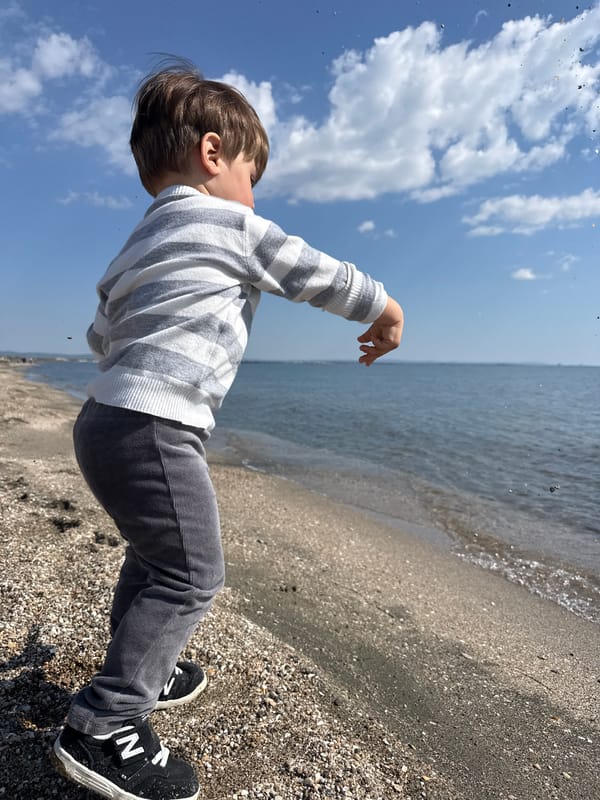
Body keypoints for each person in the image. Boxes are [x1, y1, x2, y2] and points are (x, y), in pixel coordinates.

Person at [53, 61, 404, 800]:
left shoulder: (136, 245)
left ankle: (148, 663)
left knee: (155, 555)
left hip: (103, 420)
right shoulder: (230, 223)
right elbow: (313, 272)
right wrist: (383, 307)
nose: (256, 192)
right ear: (213, 155)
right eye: (253, 170)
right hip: (156, 423)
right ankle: (105, 724)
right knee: (192, 573)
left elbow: (99, 333)